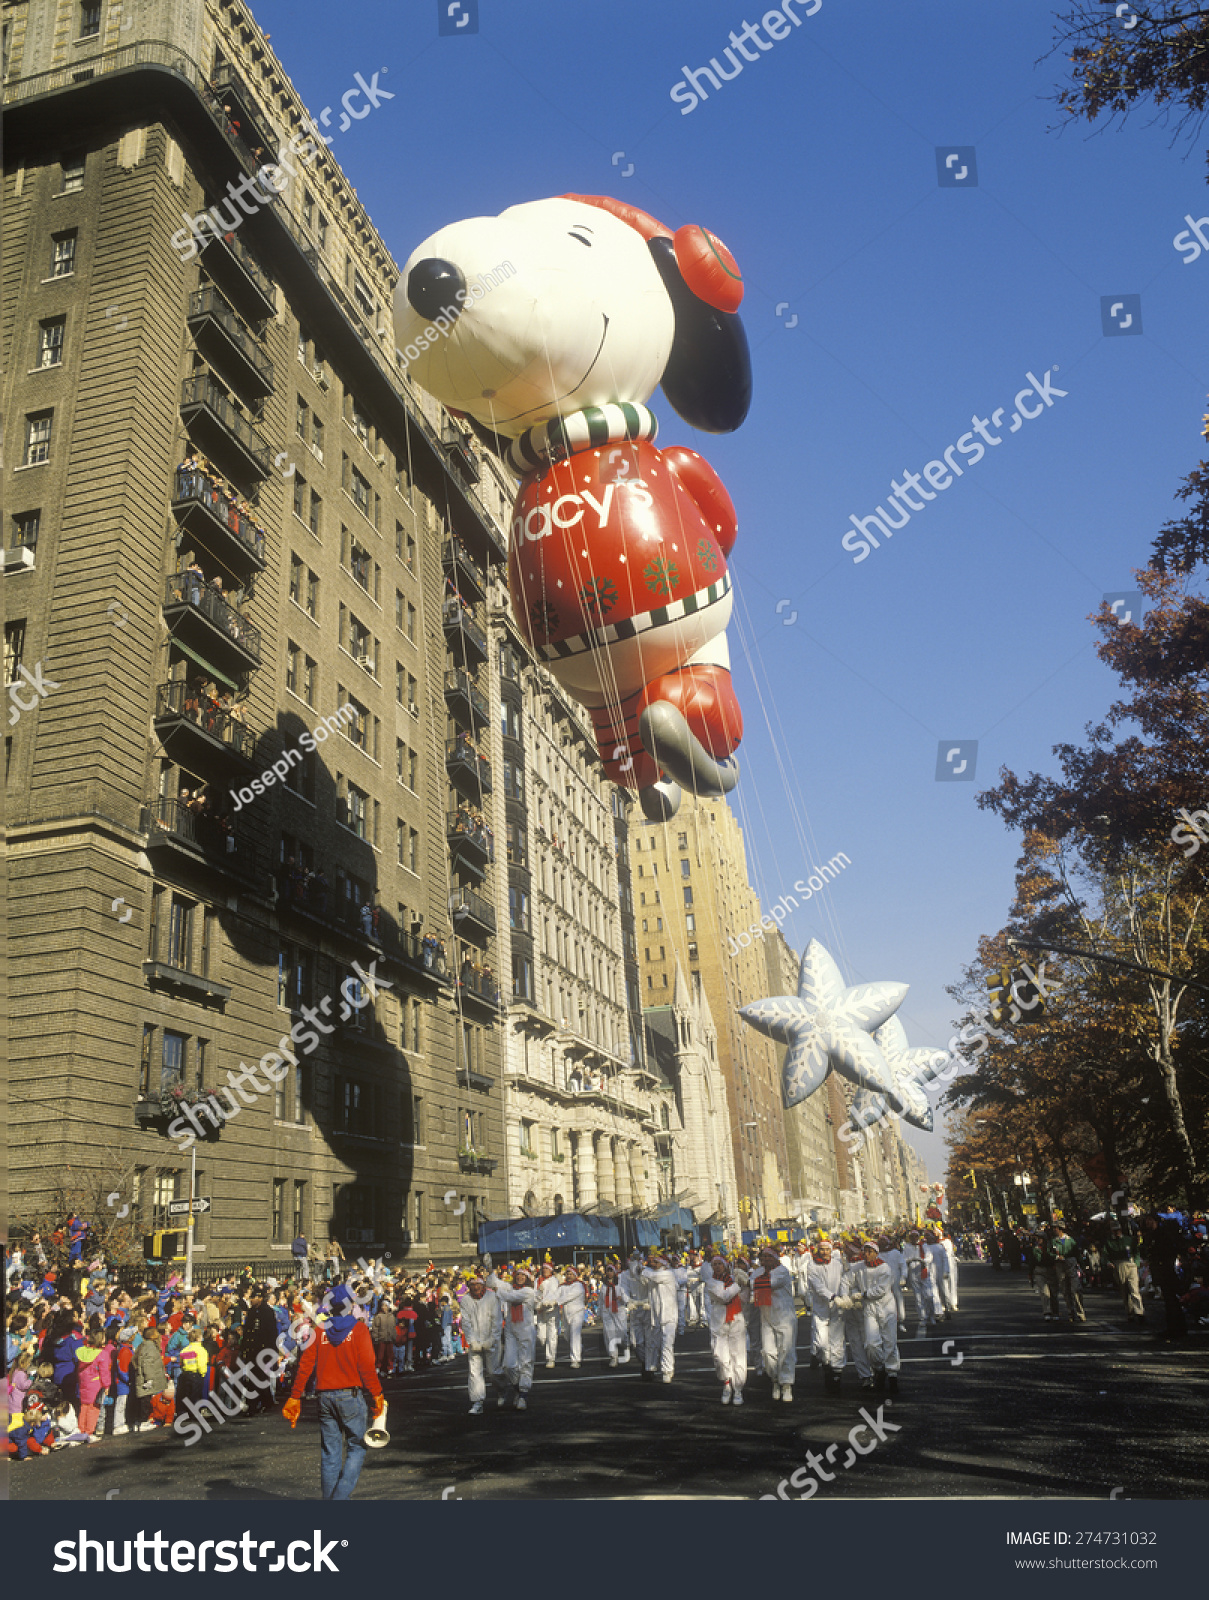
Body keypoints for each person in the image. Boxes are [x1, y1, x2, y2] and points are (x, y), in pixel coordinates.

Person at [283, 1286, 384, 1501]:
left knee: (330, 1454)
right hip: (350, 1395)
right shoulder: (359, 1329)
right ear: (351, 1306)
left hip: (324, 1396)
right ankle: (338, 1499)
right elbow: (367, 1367)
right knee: (357, 1447)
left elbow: (305, 1365)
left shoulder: (319, 1330)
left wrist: (295, 1395)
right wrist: (377, 1394)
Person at [854, 1241, 900, 1395]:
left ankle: (892, 1374)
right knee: (871, 1344)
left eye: (869, 1251)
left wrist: (863, 1295)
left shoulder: (884, 1267)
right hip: (869, 1308)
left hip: (886, 1307)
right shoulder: (860, 1267)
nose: (866, 1254)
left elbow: (881, 1289)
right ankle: (879, 1369)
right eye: (864, 1251)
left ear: (876, 1252)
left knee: (890, 1341)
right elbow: (851, 1280)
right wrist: (853, 1293)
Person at [486, 1266, 536, 1410]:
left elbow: (510, 1297)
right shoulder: (509, 1287)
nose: (520, 1277)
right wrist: (490, 1270)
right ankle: (518, 1390)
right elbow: (492, 1283)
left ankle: (523, 1395)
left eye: (523, 1275)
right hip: (510, 1329)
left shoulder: (528, 1291)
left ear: (527, 1278)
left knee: (525, 1362)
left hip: (525, 1330)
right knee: (508, 1365)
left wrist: (498, 1291)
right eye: (518, 1275)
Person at [752, 1246, 796, 1403]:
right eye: (763, 1257)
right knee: (768, 1353)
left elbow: (766, 1284)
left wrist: (747, 1281)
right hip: (766, 1317)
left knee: (786, 1351)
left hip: (784, 1317)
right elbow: (753, 1283)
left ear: (776, 1258)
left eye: (769, 1257)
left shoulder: (782, 1271)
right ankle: (775, 1380)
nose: (765, 1260)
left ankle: (786, 1384)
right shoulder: (758, 1272)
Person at [703, 1255, 748, 1405]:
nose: (717, 1267)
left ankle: (738, 1389)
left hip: (736, 1318)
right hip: (719, 1319)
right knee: (719, 1355)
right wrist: (738, 1285)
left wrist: (746, 1282)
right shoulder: (711, 1282)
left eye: (719, 1264)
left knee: (738, 1355)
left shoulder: (734, 1277)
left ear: (725, 1265)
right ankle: (726, 1384)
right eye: (714, 1264)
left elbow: (746, 1298)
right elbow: (724, 1296)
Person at [805, 1240, 845, 1394]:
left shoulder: (837, 1264)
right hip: (821, 1308)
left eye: (826, 1250)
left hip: (837, 1307)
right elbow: (817, 1286)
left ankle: (836, 1374)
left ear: (831, 1250)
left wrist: (843, 1297)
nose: (824, 1252)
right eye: (821, 1250)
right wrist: (832, 1296)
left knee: (837, 1341)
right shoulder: (812, 1265)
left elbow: (843, 1282)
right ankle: (827, 1365)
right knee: (822, 1343)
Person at [459, 1274, 502, 1414]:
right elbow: (465, 1322)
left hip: (491, 1340)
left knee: (493, 1371)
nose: (476, 1288)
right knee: (474, 1372)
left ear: (483, 1285)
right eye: (473, 1285)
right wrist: (471, 1340)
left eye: (478, 1285)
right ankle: (477, 1402)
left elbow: (497, 1320)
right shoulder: (465, 1300)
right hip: (475, 1342)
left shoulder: (492, 1297)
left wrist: (492, 1339)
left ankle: (502, 1390)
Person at [643, 1253, 680, 1383]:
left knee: (666, 1344)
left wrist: (642, 1269)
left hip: (669, 1315)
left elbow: (653, 1276)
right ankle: (651, 1367)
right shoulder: (652, 1274)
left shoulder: (668, 1274)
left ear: (663, 1264)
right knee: (653, 1343)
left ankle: (667, 1371)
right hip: (657, 1315)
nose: (654, 1265)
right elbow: (642, 1277)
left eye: (656, 1263)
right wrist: (635, 1264)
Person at [1103, 1217, 1146, 1327]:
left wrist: (1136, 1262)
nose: (1117, 1232)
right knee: (1124, 1290)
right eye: (1114, 1230)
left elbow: (1136, 1251)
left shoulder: (1128, 1239)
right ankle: (1129, 1312)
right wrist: (1108, 1262)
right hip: (1118, 1265)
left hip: (1130, 1264)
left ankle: (1139, 1312)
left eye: (1118, 1230)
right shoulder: (1109, 1242)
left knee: (1134, 1289)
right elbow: (1105, 1254)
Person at [1045, 1222, 1086, 1323]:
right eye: (1053, 1228)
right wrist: (1055, 1257)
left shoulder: (1070, 1240)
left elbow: (1076, 1253)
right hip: (1060, 1266)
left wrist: (1083, 1266)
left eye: (1056, 1228)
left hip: (1070, 1264)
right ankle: (1070, 1313)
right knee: (1065, 1291)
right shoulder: (1053, 1242)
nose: (1054, 1230)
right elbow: (1048, 1253)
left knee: (1075, 1290)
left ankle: (1080, 1312)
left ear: (1060, 1229)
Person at [599, 1265, 630, 1366]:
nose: (609, 1273)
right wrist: (600, 1313)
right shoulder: (604, 1286)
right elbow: (601, 1300)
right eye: (607, 1271)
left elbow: (627, 1298)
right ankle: (613, 1357)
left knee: (622, 1333)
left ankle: (625, 1345)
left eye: (611, 1271)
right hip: (607, 1312)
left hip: (619, 1311)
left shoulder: (620, 1285)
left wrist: (622, 1299)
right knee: (609, 1334)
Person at [534, 1263, 561, 1368]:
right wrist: (538, 1299)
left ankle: (550, 1358)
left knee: (552, 1335)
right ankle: (547, 1352)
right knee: (541, 1337)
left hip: (551, 1311)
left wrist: (546, 1302)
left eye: (547, 1268)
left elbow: (552, 1294)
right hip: (540, 1311)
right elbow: (535, 1294)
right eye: (543, 1268)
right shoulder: (538, 1280)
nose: (544, 1270)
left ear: (550, 1270)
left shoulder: (554, 1281)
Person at [558, 1267, 586, 1368]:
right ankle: (579, 1348)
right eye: (567, 1274)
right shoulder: (562, 1287)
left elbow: (568, 1297)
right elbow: (556, 1295)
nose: (569, 1276)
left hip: (577, 1313)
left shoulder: (578, 1286)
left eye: (571, 1274)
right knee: (568, 1336)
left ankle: (575, 1360)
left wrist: (555, 1302)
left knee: (575, 1334)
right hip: (566, 1314)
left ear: (575, 1275)